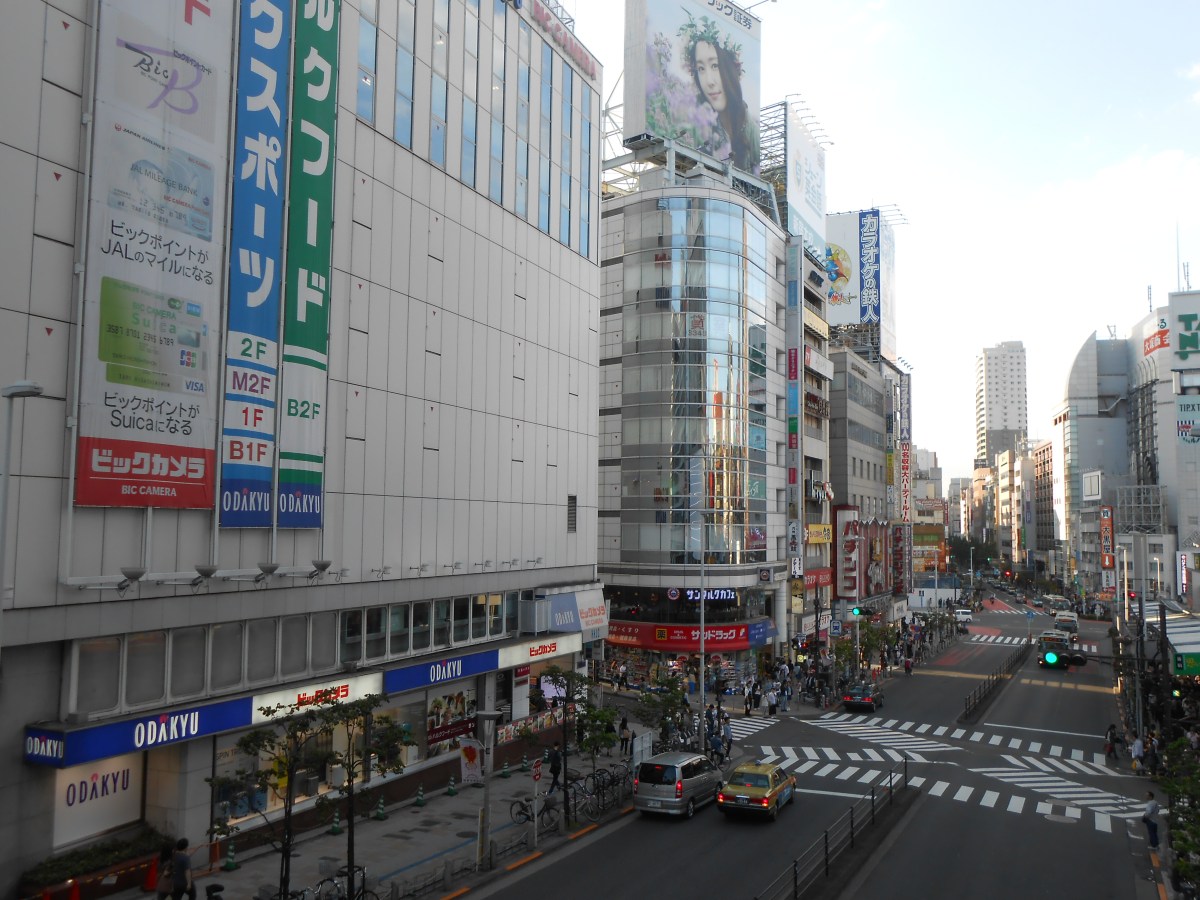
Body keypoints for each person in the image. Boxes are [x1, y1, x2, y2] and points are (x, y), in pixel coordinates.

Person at [681, 16, 760, 174]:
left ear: (730, 69)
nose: (709, 81)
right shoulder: (693, 122)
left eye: (715, 65)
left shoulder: (751, 131)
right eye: (701, 68)